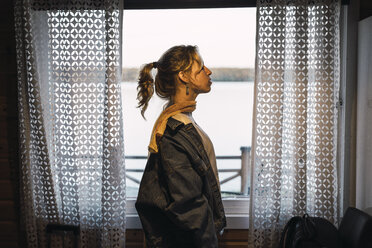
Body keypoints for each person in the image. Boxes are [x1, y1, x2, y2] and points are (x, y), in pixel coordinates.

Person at [135, 45, 226, 248]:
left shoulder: (183, 120)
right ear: (184, 76)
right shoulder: (173, 131)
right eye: (201, 67)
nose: (208, 71)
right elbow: (188, 206)